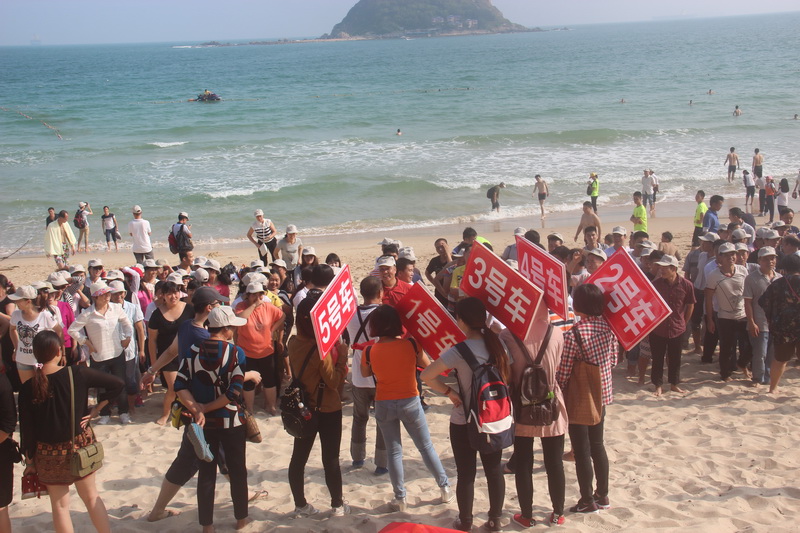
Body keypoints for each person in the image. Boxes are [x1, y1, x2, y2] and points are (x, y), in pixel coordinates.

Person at [421, 297, 511, 532]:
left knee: (466, 473)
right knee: (494, 470)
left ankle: (466, 521)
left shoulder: (459, 351)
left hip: (465, 419)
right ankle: (495, 520)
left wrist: (449, 392)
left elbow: (426, 375)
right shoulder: (498, 345)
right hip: (494, 417)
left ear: (461, 320)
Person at [19, 330, 122, 533]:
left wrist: (30, 463)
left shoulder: (28, 387)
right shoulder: (77, 373)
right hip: (79, 446)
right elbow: (118, 383)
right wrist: (97, 409)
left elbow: (27, 431)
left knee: (60, 506)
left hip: (48, 454)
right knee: (91, 498)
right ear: (59, 351)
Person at [361, 305, 453, 511]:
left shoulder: (369, 350)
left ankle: (400, 497)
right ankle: (444, 487)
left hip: (384, 402)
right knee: (426, 447)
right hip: (410, 400)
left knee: (394, 452)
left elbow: (365, 373)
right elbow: (428, 366)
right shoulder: (411, 345)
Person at [174, 306, 252, 532]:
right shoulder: (236, 353)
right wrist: (208, 407)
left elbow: (180, 385)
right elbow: (233, 392)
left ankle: (207, 526)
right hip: (231, 420)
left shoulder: (192, 351)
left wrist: (198, 410)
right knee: (238, 471)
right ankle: (241, 520)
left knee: (206, 474)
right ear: (226, 329)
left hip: (203, 424)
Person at [500, 303, 567, 528]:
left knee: (523, 463)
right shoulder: (556, 333)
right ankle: (558, 513)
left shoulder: (507, 335)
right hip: (551, 404)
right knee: (554, 462)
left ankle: (526, 515)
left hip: (522, 406)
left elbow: (505, 373)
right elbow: (558, 366)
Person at [287, 292, 350, 518]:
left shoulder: (293, 343)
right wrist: (342, 356)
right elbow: (333, 381)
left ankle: (300, 504)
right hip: (328, 408)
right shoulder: (319, 350)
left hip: (303, 408)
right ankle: (337, 505)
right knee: (330, 459)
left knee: (298, 459)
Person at [555, 283, 617, 514]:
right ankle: (603, 495)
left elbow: (564, 373)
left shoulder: (574, 334)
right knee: (598, 445)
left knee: (581, 451)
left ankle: (587, 499)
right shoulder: (609, 328)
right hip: (602, 393)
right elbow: (613, 360)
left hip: (581, 396)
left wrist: (559, 391)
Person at [68, 281, 133, 425]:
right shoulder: (87, 313)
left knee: (121, 384)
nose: (107, 296)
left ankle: (123, 412)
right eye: (103, 294)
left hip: (117, 353)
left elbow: (127, 323)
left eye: (108, 293)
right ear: (95, 297)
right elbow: (72, 330)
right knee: (102, 387)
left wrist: (127, 337)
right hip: (99, 356)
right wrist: (86, 342)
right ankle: (104, 413)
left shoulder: (116, 308)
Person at [235, 282, 285, 415]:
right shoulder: (241, 306)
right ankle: (250, 408)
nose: (257, 298)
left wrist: (273, 329)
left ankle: (271, 406)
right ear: (248, 295)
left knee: (269, 380)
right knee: (249, 383)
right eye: (254, 295)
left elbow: (282, 316)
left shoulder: (268, 307)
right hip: (247, 351)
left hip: (266, 350)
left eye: (260, 294)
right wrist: (253, 306)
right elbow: (240, 319)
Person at [148, 280, 194, 425]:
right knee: (173, 387)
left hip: (188, 354)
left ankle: (190, 411)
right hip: (167, 357)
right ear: (163, 295)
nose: (173, 296)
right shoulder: (156, 314)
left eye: (175, 293)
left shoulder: (189, 309)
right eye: (169, 294)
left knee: (189, 386)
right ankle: (165, 414)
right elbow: (152, 340)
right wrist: (155, 364)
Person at [705, 243, 751, 382]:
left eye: (732, 254)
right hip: (724, 316)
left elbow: (748, 293)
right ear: (720, 257)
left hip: (743, 314)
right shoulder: (713, 275)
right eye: (726, 255)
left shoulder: (742, 270)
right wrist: (710, 319)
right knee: (726, 347)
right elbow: (708, 298)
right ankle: (725, 374)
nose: (730, 257)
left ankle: (742, 363)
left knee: (751, 344)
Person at [650, 255, 695, 396]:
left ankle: (674, 384)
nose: (661, 270)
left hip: (677, 328)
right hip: (658, 328)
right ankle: (658, 385)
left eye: (665, 267)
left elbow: (690, 305)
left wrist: (684, 322)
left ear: (674, 269)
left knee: (675, 358)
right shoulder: (656, 284)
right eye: (661, 267)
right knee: (657, 358)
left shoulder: (686, 285)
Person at [759, 254, 800, 393]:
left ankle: (773, 388)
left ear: (784, 268)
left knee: (780, 360)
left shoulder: (777, 284)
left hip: (783, 329)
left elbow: (763, 302)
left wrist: (771, 318)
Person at [9, 285, 63, 384]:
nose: (16, 303)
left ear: (28, 301)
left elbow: (59, 331)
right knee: (27, 388)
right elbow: (12, 330)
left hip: (41, 361)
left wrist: (59, 352)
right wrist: (16, 348)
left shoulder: (44, 315)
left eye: (18, 300)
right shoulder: (16, 314)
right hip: (23, 359)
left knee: (45, 387)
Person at [744, 247, 780, 387]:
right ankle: (758, 378)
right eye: (766, 259)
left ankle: (768, 378)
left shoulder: (780, 278)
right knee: (760, 353)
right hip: (760, 322)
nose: (770, 261)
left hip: (775, 324)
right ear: (759, 260)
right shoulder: (751, 278)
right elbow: (748, 302)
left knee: (772, 353)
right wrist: (751, 322)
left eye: (772, 258)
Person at [425, 238, 452, 306]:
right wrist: (434, 283)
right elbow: (427, 273)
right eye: (437, 248)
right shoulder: (434, 260)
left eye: (442, 247)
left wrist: (447, 253)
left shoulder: (455, 258)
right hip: (439, 291)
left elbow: (451, 268)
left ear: (447, 246)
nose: (440, 249)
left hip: (451, 290)